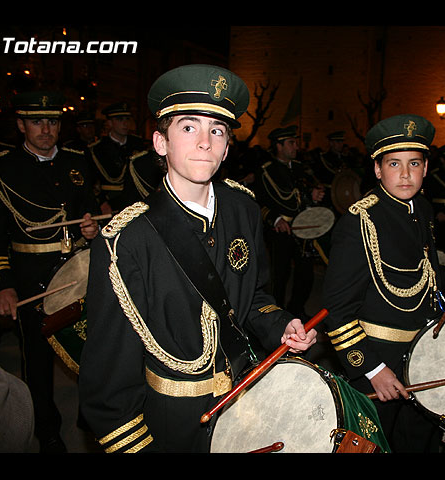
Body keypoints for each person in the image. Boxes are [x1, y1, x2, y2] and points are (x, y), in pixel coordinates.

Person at [79, 64, 318, 453]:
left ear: (226, 147)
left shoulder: (242, 208)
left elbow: (253, 297)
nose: (205, 142)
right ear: (160, 143)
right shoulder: (127, 240)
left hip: (246, 395)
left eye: (217, 130)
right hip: (173, 420)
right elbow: (108, 377)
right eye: (188, 127)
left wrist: (281, 324)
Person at [322, 114, 445, 453]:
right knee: (374, 445)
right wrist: (374, 369)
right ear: (378, 170)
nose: (406, 174)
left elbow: (418, 275)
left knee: (419, 441)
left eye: (414, 163)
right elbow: (337, 312)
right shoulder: (359, 222)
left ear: (426, 168)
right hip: (378, 357)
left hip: (423, 353)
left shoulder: (421, 208)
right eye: (394, 163)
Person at [0, 91, 100, 452]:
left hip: (80, 273)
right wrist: (2, 285)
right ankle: (48, 432)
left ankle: (94, 415)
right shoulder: (1, 168)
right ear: (21, 124)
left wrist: (91, 228)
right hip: (30, 275)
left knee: (93, 349)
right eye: (36, 121)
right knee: (37, 361)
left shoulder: (77, 159)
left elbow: (88, 209)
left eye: (52, 121)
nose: (45, 129)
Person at [254, 125, 325, 319]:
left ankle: (297, 309)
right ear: (279, 146)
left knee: (305, 273)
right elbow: (258, 201)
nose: (296, 147)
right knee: (280, 274)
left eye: (295, 142)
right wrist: (275, 219)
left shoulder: (301, 168)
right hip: (281, 230)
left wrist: (315, 195)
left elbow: (306, 194)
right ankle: (276, 314)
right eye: (291, 143)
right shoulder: (266, 171)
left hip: (304, 229)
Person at [87, 102, 149, 213]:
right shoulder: (97, 149)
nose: (125, 124)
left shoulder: (137, 144)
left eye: (127, 119)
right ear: (110, 123)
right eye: (120, 120)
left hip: (136, 200)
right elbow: (90, 181)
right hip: (110, 202)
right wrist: (101, 202)